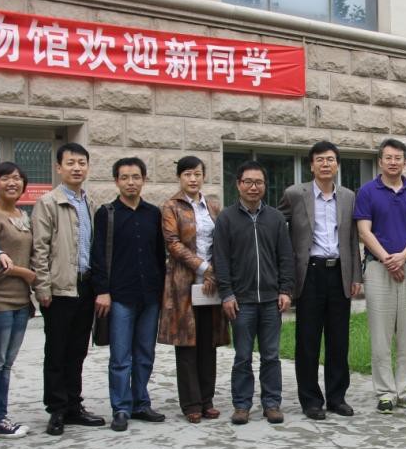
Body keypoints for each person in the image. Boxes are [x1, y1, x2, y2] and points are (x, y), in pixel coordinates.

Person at [278, 141, 362, 420]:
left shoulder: (348, 196)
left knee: (339, 340)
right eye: (320, 160)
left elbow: (352, 238)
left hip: (339, 272)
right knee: (308, 340)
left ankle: (337, 398)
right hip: (309, 273)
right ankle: (311, 400)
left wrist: (356, 275)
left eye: (330, 159)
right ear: (311, 165)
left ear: (337, 164)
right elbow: (277, 227)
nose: (325, 164)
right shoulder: (294, 194)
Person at [31, 142, 105, 435]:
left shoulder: (89, 203)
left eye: (81, 163)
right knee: (57, 351)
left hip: (85, 287)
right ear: (58, 168)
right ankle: (57, 409)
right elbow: (39, 248)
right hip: (59, 289)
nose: (77, 168)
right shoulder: (48, 202)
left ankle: (74, 405)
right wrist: (42, 287)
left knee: (77, 350)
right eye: (70, 163)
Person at [212, 160, 294, 426]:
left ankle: (271, 403)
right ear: (238, 185)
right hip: (241, 301)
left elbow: (286, 257)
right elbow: (220, 259)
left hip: (271, 300)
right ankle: (242, 405)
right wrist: (226, 294)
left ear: (265, 186)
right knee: (242, 357)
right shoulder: (226, 218)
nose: (253, 187)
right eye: (248, 182)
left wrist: (285, 290)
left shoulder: (276, 218)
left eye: (258, 182)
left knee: (271, 356)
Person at [354, 138, 406, 414]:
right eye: (388, 157)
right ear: (380, 161)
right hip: (378, 267)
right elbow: (364, 231)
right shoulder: (367, 191)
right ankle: (385, 392)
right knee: (381, 334)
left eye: (398, 158)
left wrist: (403, 257)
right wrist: (388, 259)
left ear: (405, 162)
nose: (393, 162)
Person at [91, 157, 166, 432]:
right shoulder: (106, 213)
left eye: (135, 177)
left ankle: (140, 403)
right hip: (120, 295)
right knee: (121, 356)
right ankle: (121, 407)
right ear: (116, 181)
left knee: (145, 353)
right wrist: (102, 290)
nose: (130, 182)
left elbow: (159, 254)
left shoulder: (153, 213)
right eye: (125, 177)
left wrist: (162, 291)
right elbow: (98, 255)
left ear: (143, 179)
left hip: (150, 295)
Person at [158, 156, 229, 423]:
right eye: (188, 174)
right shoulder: (171, 206)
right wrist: (204, 268)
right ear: (179, 177)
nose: (193, 179)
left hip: (211, 285)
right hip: (183, 284)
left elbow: (221, 242)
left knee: (208, 343)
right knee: (187, 343)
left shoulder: (213, 206)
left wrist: (214, 273)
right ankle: (191, 403)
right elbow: (173, 244)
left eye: (197, 174)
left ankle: (207, 399)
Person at [0, 162, 35, 439]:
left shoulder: (22, 215)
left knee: (7, 363)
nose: (13, 182)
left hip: (21, 301)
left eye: (17, 178)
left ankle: (1, 415)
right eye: (5, 178)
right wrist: (26, 274)